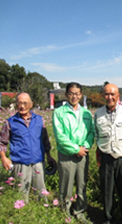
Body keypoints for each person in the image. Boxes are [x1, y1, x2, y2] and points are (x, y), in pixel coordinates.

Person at [0, 93, 55, 202]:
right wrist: (3, 158)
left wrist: (49, 156)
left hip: (38, 162)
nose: (22, 106)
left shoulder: (39, 120)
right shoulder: (10, 122)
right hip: (20, 163)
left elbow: (45, 140)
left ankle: (42, 213)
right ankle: (21, 214)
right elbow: (1, 142)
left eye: (25, 103)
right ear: (16, 104)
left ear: (31, 104)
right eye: (19, 103)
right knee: (21, 194)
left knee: (41, 192)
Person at [53, 82, 95, 222]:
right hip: (67, 154)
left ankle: (80, 211)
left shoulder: (86, 113)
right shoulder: (59, 112)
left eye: (77, 94)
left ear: (81, 95)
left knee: (82, 184)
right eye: (71, 93)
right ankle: (65, 212)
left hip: (83, 153)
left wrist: (84, 147)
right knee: (66, 185)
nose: (74, 96)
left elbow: (91, 132)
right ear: (66, 95)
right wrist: (75, 149)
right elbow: (60, 137)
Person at [94, 84, 122, 224]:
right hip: (106, 157)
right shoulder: (98, 113)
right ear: (103, 96)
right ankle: (108, 219)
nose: (109, 97)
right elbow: (96, 134)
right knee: (107, 191)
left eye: (112, 94)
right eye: (106, 94)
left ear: (118, 96)